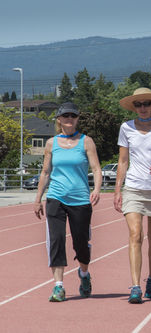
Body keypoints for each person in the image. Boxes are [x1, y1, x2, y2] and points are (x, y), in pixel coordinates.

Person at [34, 102, 102, 302]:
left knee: (81, 243)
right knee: (56, 240)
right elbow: (46, 172)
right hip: (55, 198)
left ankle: (84, 274)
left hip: (80, 199)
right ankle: (58, 286)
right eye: (65, 116)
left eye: (73, 115)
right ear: (59, 120)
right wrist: (38, 199)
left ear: (77, 119)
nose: (69, 119)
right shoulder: (51, 143)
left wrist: (96, 190)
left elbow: (97, 169)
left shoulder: (86, 141)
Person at [113, 87, 151, 304]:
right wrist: (118, 189)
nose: (143, 108)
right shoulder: (126, 128)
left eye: (146, 104)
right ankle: (136, 286)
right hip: (134, 188)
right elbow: (122, 161)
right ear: (133, 107)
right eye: (138, 105)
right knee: (135, 235)